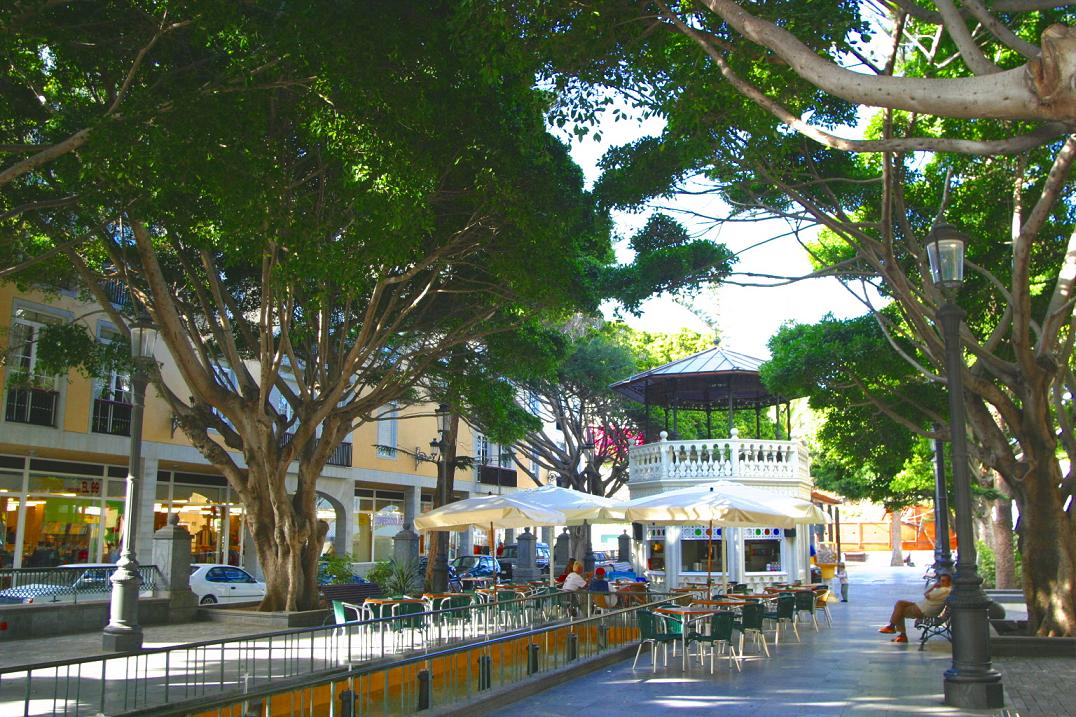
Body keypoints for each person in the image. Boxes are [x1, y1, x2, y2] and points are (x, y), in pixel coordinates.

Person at [879, 573, 952, 642]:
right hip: (921, 606)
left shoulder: (944, 590)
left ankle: (895, 630)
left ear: (949, 582)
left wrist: (933, 587)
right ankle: (896, 630)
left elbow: (926, 595)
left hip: (923, 610)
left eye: (943, 581)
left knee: (899, 609)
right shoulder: (946, 589)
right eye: (941, 580)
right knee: (900, 604)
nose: (941, 582)